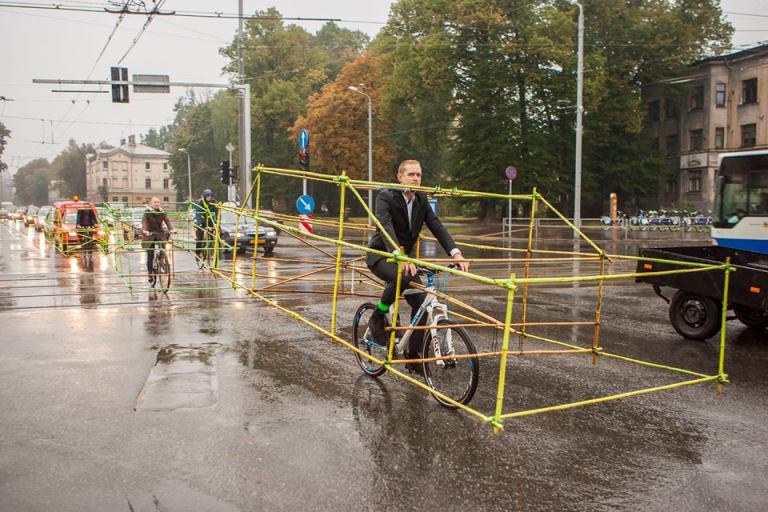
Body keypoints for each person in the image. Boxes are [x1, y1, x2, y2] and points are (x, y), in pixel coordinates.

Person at [366, 159, 469, 369]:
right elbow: (385, 226)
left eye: (419, 175)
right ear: (400, 177)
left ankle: (413, 357)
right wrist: (399, 255)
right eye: (411, 174)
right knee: (402, 277)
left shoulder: (422, 198)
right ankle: (378, 315)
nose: (416, 179)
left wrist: (456, 253)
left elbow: (436, 225)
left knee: (422, 304)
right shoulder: (386, 196)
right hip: (381, 255)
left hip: (405, 259)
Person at [142, 197, 174, 281]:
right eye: (155, 202)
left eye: (158, 202)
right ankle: (150, 272)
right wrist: (145, 230)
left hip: (159, 232)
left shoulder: (162, 211)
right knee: (150, 254)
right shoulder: (147, 212)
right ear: (150, 204)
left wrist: (171, 229)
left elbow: (167, 220)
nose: (157, 204)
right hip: (149, 233)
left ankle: (161, 259)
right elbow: (144, 221)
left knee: (163, 247)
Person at [193, 189, 218, 261]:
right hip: (202, 220)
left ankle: (213, 252)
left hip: (210, 220)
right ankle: (198, 253)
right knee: (199, 237)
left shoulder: (214, 202)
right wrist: (199, 223)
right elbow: (198, 214)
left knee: (214, 236)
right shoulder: (200, 202)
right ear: (204, 197)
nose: (208, 198)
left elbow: (217, 213)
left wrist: (216, 223)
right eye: (207, 197)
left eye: (209, 197)